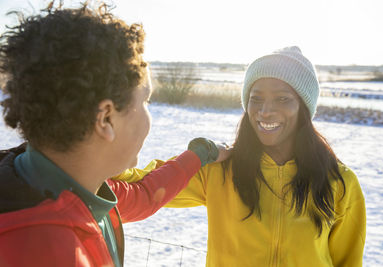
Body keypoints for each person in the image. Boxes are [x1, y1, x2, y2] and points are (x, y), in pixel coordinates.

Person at [0, 3, 226, 267]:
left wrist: (201, 153)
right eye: (146, 101)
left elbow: (143, 195)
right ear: (106, 118)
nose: (148, 114)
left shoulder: (69, 183)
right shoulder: (49, 251)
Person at [115, 46, 366, 266]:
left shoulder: (340, 183)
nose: (265, 111)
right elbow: (127, 189)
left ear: (304, 107)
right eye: (256, 99)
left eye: (282, 99)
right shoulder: (218, 171)